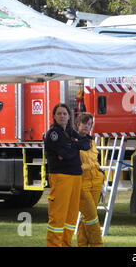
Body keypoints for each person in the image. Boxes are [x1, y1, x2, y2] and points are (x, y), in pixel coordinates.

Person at [45, 103, 91, 247]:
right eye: (59, 113)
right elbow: (66, 154)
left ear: (69, 116)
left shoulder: (70, 131)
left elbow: (87, 144)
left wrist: (72, 145)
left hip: (76, 176)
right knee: (58, 216)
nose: (62, 116)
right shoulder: (53, 134)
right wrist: (74, 146)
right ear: (54, 116)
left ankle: (66, 244)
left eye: (65, 113)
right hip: (61, 177)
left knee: (71, 216)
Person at [75, 112, 104, 247]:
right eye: (84, 123)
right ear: (77, 124)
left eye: (89, 124)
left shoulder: (91, 141)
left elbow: (95, 160)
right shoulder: (73, 141)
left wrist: (100, 174)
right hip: (82, 181)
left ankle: (82, 244)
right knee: (92, 216)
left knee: (87, 215)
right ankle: (97, 244)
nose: (87, 126)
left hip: (96, 179)